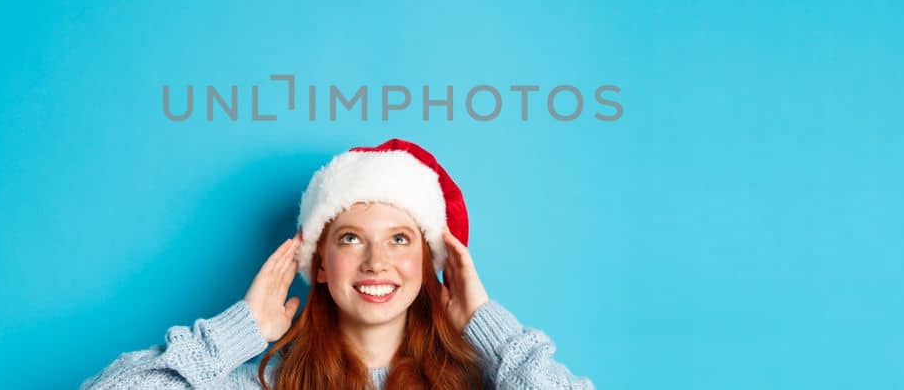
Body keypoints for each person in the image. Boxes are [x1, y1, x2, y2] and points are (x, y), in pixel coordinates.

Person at [81, 138, 593, 389]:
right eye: (351, 239)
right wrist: (240, 330)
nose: (376, 262)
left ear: (431, 262)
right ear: (319, 263)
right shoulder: (264, 380)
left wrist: (491, 331)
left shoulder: (482, 381)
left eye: (399, 239)